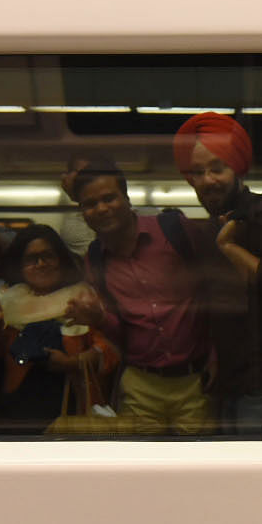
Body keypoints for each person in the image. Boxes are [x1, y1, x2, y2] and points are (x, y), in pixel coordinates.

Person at [173, 111, 262, 431]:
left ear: (236, 168)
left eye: (217, 168)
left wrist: (231, 248)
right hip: (233, 379)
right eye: (198, 172)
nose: (208, 179)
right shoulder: (211, 228)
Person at [67, 163, 213, 434]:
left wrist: (218, 357)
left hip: (195, 378)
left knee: (197, 466)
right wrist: (99, 319)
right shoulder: (96, 260)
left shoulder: (174, 231)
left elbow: (217, 291)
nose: (101, 208)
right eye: (90, 204)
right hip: (141, 383)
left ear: (126, 198)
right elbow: (120, 331)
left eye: (109, 198)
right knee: (143, 467)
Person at [0, 224, 118, 431]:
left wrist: (73, 362)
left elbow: (110, 349)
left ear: (60, 259)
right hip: (18, 411)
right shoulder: (9, 301)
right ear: (20, 266)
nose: (40, 264)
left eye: (48, 256)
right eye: (31, 260)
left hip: (72, 406)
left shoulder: (84, 298)